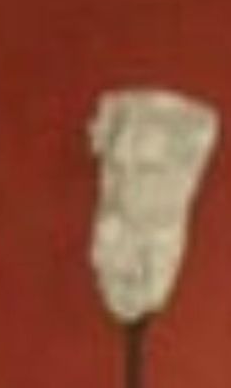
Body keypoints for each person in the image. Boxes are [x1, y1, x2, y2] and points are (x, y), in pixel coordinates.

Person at [87, 88, 219, 325]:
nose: (125, 189)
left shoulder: (155, 243)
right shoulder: (114, 231)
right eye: (116, 169)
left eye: (147, 170)